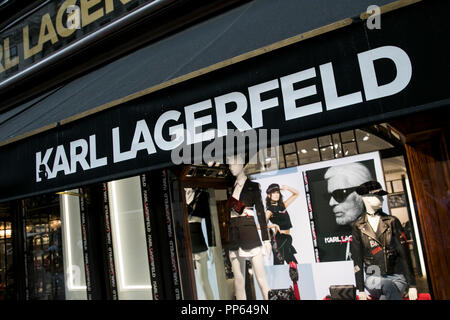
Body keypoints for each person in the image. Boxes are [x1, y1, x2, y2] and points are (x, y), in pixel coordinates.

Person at [351, 181, 418, 300]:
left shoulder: (392, 221)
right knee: (388, 286)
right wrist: (360, 289)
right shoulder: (358, 226)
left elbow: (404, 255)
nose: (382, 199)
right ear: (366, 198)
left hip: (397, 277)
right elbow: (357, 259)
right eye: (378, 196)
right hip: (373, 278)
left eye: (381, 196)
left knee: (387, 293)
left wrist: (412, 285)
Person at [226, 154, 271, 300]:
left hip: (249, 234)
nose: (230, 167)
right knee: (238, 282)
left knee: (261, 279)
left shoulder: (253, 186)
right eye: (229, 164)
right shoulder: (231, 187)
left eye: (233, 164)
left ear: (241, 165)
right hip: (234, 235)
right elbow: (233, 210)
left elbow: (260, 214)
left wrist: (266, 239)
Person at [186, 187, 216, 300]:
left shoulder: (202, 195)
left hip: (197, 240)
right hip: (183, 242)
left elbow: (209, 220)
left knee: (203, 281)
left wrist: (212, 244)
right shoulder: (176, 192)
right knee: (187, 281)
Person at [265, 183, 299, 265]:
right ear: (269, 195)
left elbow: (296, 193)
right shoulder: (269, 210)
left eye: (277, 192)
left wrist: (287, 187)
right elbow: (260, 226)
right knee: (287, 264)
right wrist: (273, 225)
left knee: (290, 265)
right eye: (273, 193)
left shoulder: (282, 206)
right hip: (279, 240)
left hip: (287, 238)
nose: (276, 195)